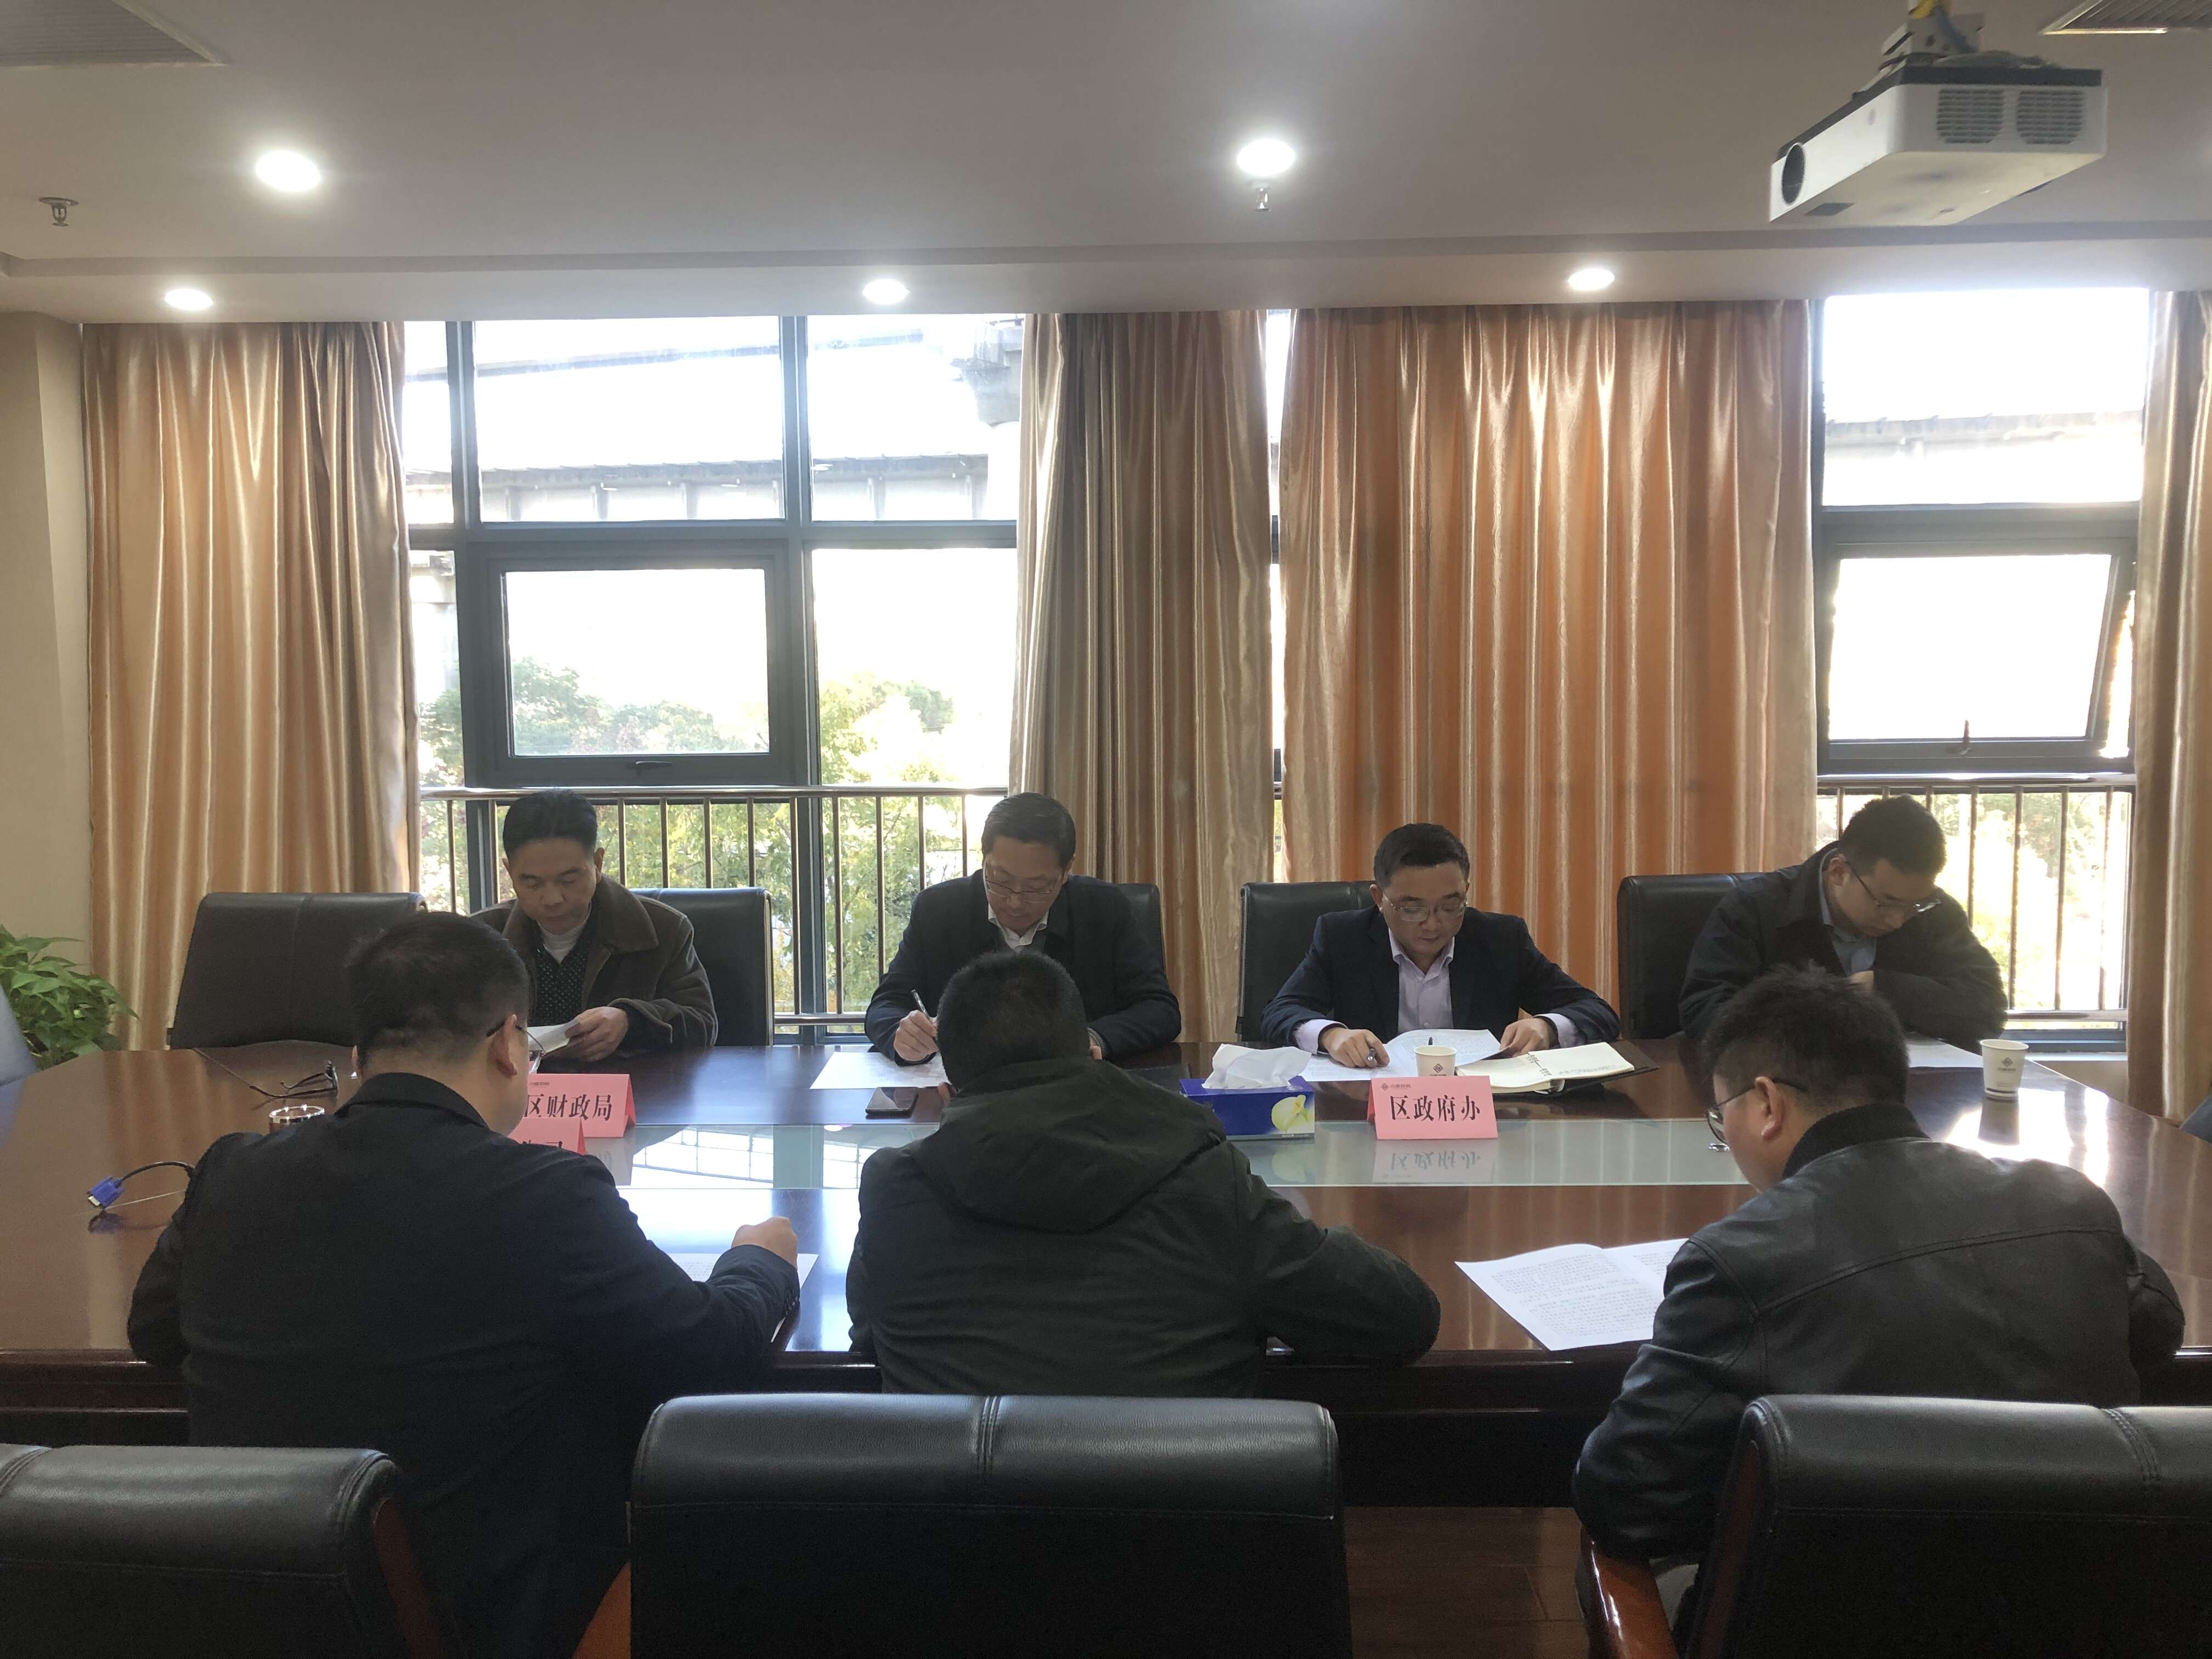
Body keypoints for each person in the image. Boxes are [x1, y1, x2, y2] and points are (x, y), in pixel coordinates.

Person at [127, 913, 798, 1659]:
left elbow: (151, 1333)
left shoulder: (231, 1172)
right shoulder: (547, 1195)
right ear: (510, 1045)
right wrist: (758, 1262)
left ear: (358, 1057)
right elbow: (709, 1357)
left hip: (266, 1616)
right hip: (492, 1622)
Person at [1573, 968, 2181, 1590]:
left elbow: (1623, 1495)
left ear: (1767, 1105)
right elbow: (2158, 1333)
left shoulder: (1740, 1258)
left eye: (1720, 1116)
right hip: (2089, 1601)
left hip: (1838, 1610)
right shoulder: (2070, 1201)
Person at [847, 950, 1440, 1394]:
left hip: (959, 1523)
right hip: (1174, 1520)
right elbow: (1401, 1319)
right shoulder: (1202, 1175)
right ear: (1091, 1053)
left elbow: (872, 1338)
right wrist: (1305, 1232)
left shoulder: (895, 1190)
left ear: (950, 1088)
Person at [1258, 822, 1618, 1063]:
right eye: (1411, 908)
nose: (1432, 924)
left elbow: (1596, 1011)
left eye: (1450, 906)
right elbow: (1280, 1012)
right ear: (1379, 898)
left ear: (1466, 892)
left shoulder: (1500, 939)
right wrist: (1331, 1035)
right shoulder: (1343, 938)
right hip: (1372, 1109)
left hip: (1482, 1109)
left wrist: (1546, 1027)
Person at [864, 792, 1180, 1064]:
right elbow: (886, 1003)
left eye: (1036, 887)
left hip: (1073, 1090)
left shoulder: (1103, 909)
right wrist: (901, 1033)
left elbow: (1159, 1009)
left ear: (1066, 871)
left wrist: (1092, 1038)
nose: (1014, 902)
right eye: (1000, 880)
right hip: (968, 1094)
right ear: (984, 859)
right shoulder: (938, 909)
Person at [1678, 794, 2005, 1049]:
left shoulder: (1932, 912)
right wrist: (1820, 1012)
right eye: (1885, 902)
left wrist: (1882, 989)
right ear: (1838, 872)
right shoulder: (1755, 907)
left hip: (1903, 1091)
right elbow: (1705, 1009)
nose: (1897, 920)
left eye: (1912, 906)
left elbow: (1988, 1008)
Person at [475, 788, 717, 1056]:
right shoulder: (480, 939)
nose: (553, 899)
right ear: (510, 872)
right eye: (532, 883)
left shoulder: (663, 929)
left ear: (597, 864)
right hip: (512, 1082)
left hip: (629, 1080)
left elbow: (703, 1025)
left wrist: (631, 1020)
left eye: (569, 880)